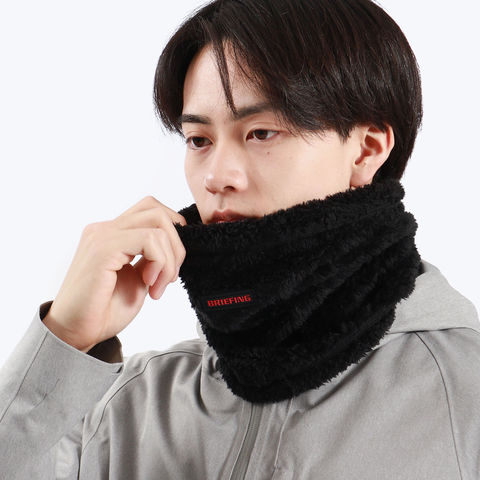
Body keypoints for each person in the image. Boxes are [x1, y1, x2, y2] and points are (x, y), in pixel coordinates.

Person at [1, 0, 479, 478]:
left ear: (366, 150)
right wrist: (65, 338)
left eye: (261, 133)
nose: (216, 177)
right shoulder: (128, 408)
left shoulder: (466, 394)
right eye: (199, 140)